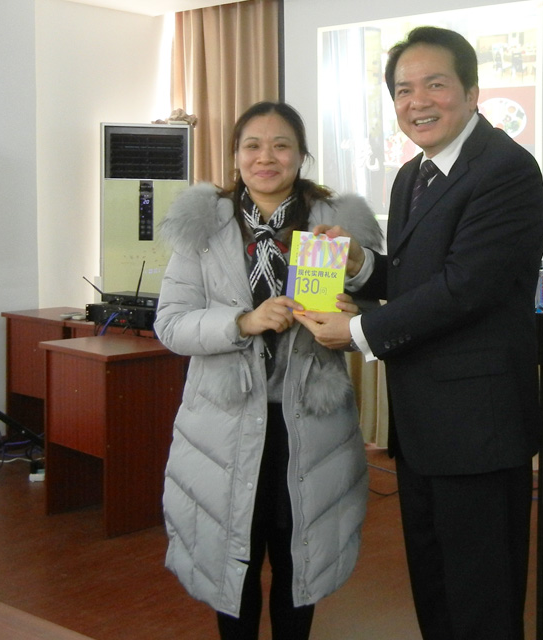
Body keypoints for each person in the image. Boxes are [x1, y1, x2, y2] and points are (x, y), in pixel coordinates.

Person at [295, 26, 543, 640]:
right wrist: (361, 264)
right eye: (403, 90)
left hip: (480, 427)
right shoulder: (413, 174)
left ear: (472, 91)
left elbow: (466, 287)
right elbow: (419, 279)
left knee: (482, 603)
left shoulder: (507, 169)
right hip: (423, 424)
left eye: (435, 84)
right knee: (435, 593)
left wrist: (359, 331)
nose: (417, 102)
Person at [153, 101, 383, 640]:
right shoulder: (203, 224)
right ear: (235, 155)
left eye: (281, 146)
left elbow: (378, 314)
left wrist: (351, 317)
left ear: (301, 155)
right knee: (231, 561)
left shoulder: (338, 224)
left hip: (311, 425)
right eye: (252, 146)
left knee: (299, 562)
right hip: (223, 425)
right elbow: (171, 324)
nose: (266, 157)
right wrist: (243, 321)